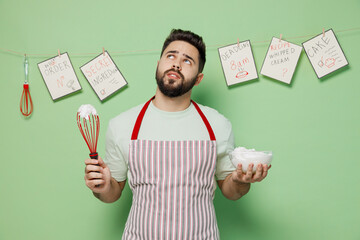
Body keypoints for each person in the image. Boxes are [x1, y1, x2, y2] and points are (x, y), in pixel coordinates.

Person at [84, 29, 270, 239]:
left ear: (198, 79)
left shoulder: (217, 124)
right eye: (170, 56)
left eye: (188, 60)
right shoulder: (122, 124)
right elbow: (112, 194)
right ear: (158, 64)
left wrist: (240, 180)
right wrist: (102, 186)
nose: (176, 64)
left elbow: (232, 191)